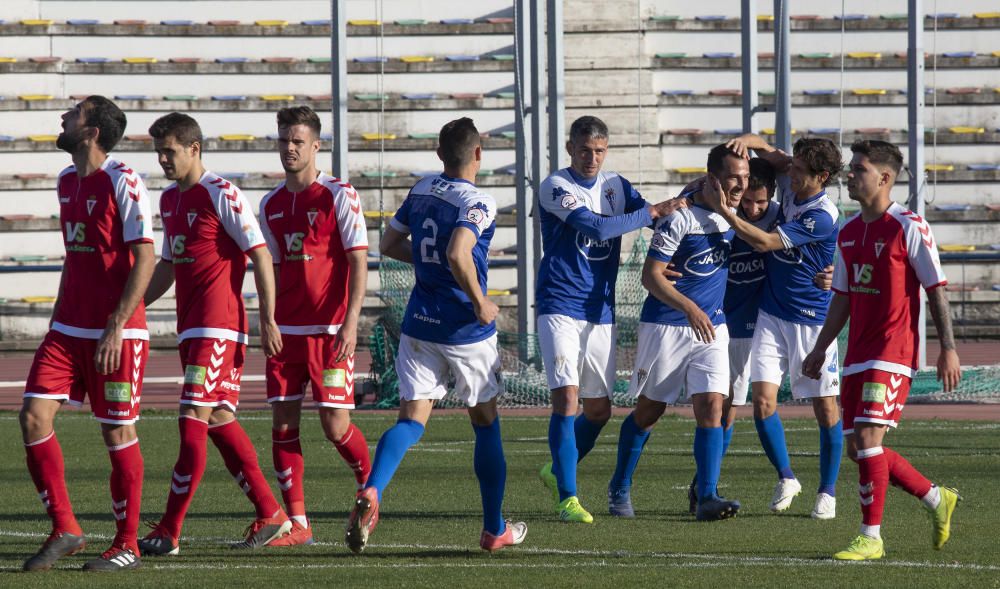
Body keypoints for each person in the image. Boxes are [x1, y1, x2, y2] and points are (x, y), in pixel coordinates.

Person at [345, 117, 526, 553]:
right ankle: (493, 528)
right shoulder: (479, 200)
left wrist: (433, 269)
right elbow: (457, 252)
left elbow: (388, 244)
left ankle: (372, 489)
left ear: (439, 153)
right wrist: (480, 299)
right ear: (479, 153)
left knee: (410, 420)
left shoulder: (423, 189)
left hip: (419, 324)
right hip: (465, 329)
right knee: (485, 424)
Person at [139, 112, 291, 556]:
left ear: (194, 148)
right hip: (193, 329)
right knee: (218, 419)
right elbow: (168, 266)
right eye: (158, 152)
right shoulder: (169, 200)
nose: (163, 159)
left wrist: (269, 317)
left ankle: (169, 529)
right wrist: (128, 309)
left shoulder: (221, 193)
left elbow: (260, 255)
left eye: (169, 150)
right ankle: (271, 513)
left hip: (219, 326)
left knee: (190, 422)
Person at [802, 139, 962, 560]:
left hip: (892, 353)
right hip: (856, 354)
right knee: (858, 451)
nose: (849, 175)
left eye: (858, 169)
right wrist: (821, 348)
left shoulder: (909, 226)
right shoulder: (850, 231)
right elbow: (842, 297)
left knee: (870, 440)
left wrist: (948, 348)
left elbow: (935, 290)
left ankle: (870, 537)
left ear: (884, 178)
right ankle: (935, 498)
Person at [20, 96, 155, 572]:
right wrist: (56, 320)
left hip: (115, 333)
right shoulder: (64, 182)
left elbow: (146, 257)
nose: (63, 116)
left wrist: (116, 325)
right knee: (33, 417)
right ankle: (65, 528)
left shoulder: (124, 180)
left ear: (93, 129)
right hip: (67, 329)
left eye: (74, 112)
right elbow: (75, 259)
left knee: (117, 431)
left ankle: (127, 544)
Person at [535, 116, 681, 523]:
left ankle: (554, 469)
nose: (591, 158)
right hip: (560, 305)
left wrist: (670, 253)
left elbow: (658, 222)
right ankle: (568, 498)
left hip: (600, 310)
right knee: (566, 399)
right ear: (570, 148)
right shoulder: (556, 186)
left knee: (599, 411)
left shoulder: (616, 186)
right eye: (584, 150)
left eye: (599, 151)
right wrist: (652, 211)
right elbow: (595, 228)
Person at [706, 134, 843, 519]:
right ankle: (787, 476)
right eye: (793, 165)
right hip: (771, 313)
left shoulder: (822, 215)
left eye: (799, 169)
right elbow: (769, 153)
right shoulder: (789, 181)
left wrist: (728, 215)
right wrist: (748, 140)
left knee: (825, 408)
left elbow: (766, 242)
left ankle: (828, 490)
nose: (790, 171)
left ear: (822, 176)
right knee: (762, 401)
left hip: (812, 321)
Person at [607, 144, 747, 520]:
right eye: (734, 177)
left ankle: (707, 496)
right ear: (713, 179)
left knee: (713, 407)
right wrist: (689, 308)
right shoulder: (680, 217)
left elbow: (778, 163)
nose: (741, 185)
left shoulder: (733, 215)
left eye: (745, 178)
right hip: (667, 326)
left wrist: (751, 143)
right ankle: (619, 485)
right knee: (650, 412)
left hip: (712, 327)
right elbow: (650, 276)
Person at [258, 106, 372, 546]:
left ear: (316, 145)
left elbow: (358, 259)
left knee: (335, 425)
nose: (289, 148)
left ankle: (369, 490)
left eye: (297, 141)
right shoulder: (270, 204)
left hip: (328, 331)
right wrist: (266, 319)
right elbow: (269, 268)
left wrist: (350, 322)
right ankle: (299, 523)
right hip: (285, 333)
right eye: (284, 139)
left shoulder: (338, 195)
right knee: (283, 423)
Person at [685, 157, 781, 512]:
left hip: (752, 329)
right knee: (704, 406)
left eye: (761, 202)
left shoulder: (776, 220)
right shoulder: (718, 216)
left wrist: (826, 273)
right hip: (715, 322)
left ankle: (702, 487)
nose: (754, 209)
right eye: (746, 201)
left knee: (729, 411)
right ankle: (623, 485)